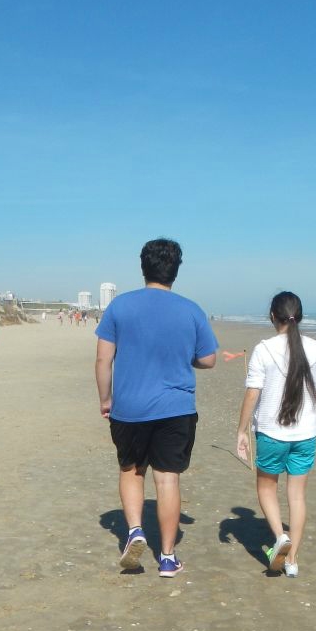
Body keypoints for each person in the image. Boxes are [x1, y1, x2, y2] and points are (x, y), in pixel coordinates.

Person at [95, 238, 218, 577]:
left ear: (143, 267)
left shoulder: (119, 306)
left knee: (132, 470)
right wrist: (185, 354)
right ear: (175, 270)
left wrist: (106, 398)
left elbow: (104, 358)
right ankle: (167, 556)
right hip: (176, 407)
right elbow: (208, 359)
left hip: (129, 406)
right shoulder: (191, 309)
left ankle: (135, 530)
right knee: (167, 480)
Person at [236, 292, 316, 577]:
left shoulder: (264, 349)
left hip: (271, 432)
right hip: (306, 434)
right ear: (300, 316)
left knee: (266, 487)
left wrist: (241, 430)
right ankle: (292, 560)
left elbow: (253, 392)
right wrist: (307, 391)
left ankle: (280, 537)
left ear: (272, 316)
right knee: (297, 496)